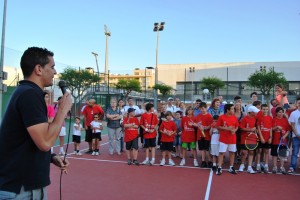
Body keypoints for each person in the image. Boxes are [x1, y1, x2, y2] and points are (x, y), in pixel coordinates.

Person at [0, 47, 72, 198]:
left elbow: (29, 139)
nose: (55, 72)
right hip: (20, 190)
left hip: (24, 187)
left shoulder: (27, 92)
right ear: (38, 69)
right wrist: (62, 111)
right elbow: (45, 143)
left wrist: (50, 158)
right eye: (52, 67)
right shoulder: (29, 95)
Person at [216, 104, 239, 175]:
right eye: (232, 109)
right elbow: (217, 126)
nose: (233, 110)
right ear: (227, 110)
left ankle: (231, 167)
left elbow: (237, 126)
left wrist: (234, 130)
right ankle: (219, 167)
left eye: (233, 109)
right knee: (221, 153)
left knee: (232, 153)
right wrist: (226, 128)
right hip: (224, 138)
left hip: (232, 138)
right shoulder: (221, 117)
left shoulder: (234, 117)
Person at [238, 106, 260, 174]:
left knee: (251, 152)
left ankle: (249, 167)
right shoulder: (244, 119)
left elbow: (257, 128)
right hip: (244, 138)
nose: (256, 113)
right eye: (255, 112)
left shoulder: (256, 119)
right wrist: (250, 129)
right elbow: (241, 128)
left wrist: (255, 130)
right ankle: (242, 165)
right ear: (251, 112)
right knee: (244, 152)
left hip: (252, 138)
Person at [271, 107, 291, 174]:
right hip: (275, 140)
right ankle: (275, 167)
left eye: (282, 112)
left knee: (282, 154)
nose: (281, 113)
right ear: (276, 113)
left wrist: (284, 136)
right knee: (274, 154)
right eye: (279, 112)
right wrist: (276, 127)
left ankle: (282, 167)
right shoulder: (273, 120)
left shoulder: (285, 120)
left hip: (283, 141)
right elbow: (271, 129)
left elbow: (288, 130)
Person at [194, 102, 213, 168]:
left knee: (207, 149)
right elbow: (196, 124)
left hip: (207, 135)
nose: (202, 110)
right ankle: (203, 161)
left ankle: (210, 161)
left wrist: (204, 128)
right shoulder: (198, 116)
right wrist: (195, 125)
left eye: (203, 108)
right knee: (202, 149)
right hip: (200, 135)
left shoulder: (209, 116)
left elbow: (210, 125)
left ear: (206, 108)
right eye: (201, 109)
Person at [256, 104, 273, 173]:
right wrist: (261, 138)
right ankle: (258, 165)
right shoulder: (259, 117)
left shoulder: (270, 117)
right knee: (259, 151)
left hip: (268, 137)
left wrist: (270, 137)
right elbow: (259, 128)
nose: (265, 111)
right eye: (263, 109)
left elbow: (271, 128)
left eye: (266, 109)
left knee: (266, 152)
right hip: (261, 138)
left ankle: (266, 165)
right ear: (261, 109)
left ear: (268, 109)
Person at [287, 97, 300, 174]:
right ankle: (292, 167)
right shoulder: (293, 113)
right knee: (295, 153)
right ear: (296, 104)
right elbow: (292, 125)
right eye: (299, 103)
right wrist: (297, 134)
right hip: (296, 137)